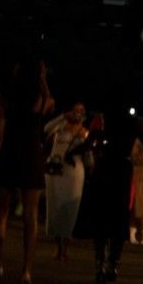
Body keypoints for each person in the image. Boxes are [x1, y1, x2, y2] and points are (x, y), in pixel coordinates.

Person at [0, 57, 53, 284]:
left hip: (8, 154)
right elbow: (49, 100)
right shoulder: (41, 100)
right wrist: (43, 80)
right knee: (30, 216)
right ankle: (26, 272)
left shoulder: (3, 98)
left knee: (1, 214)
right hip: (31, 156)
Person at [74, 110, 133, 284]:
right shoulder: (130, 124)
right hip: (119, 174)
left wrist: (70, 152)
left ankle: (102, 264)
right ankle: (111, 264)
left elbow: (87, 144)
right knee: (117, 221)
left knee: (103, 222)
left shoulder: (103, 124)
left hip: (106, 172)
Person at [44, 101, 89, 261]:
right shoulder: (60, 126)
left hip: (74, 171)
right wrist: (63, 117)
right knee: (55, 206)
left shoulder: (85, 132)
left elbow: (88, 156)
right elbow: (46, 128)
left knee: (70, 209)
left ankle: (66, 247)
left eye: (81, 110)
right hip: (56, 169)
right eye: (75, 110)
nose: (77, 113)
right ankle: (58, 246)